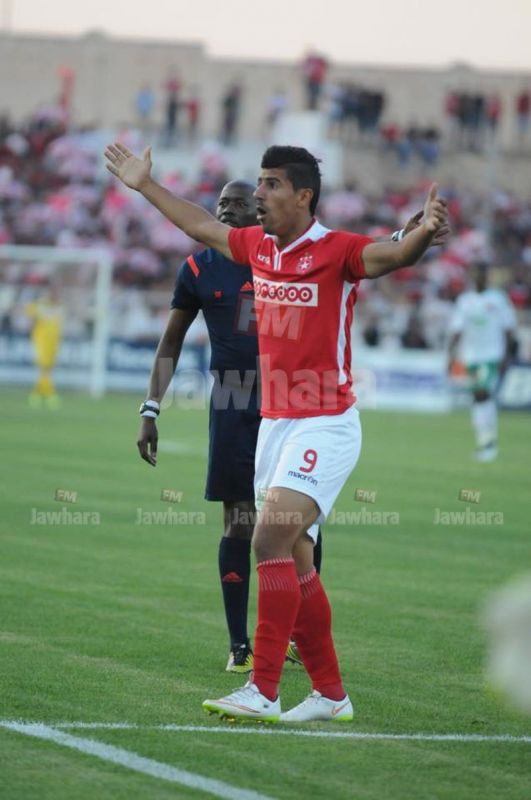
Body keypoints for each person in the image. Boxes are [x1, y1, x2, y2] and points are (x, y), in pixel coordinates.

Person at [104, 140, 448, 723]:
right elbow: (197, 224)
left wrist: (422, 233)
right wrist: (144, 185)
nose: (258, 194)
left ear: (303, 196)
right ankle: (331, 694)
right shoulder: (258, 248)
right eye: (258, 183)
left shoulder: (337, 250)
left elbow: (395, 256)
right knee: (299, 558)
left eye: (270, 184)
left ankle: (262, 687)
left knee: (265, 541)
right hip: (275, 425)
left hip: (326, 424)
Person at [137, 179, 323, 674]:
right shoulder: (198, 268)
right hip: (232, 400)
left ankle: (297, 637)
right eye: (221, 203)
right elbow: (172, 340)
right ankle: (240, 645)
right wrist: (151, 407)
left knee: (299, 522)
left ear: (257, 211)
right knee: (238, 518)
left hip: (290, 400)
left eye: (238, 203)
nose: (227, 210)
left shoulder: (285, 257)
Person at [448, 263, 517, 462]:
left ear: (487, 277)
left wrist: (507, 355)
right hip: (471, 356)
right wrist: (450, 356)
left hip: (492, 355)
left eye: (481, 274)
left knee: (481, 393)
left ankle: (488, 444)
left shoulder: (498, 299)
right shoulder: (465, 300)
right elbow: (457, 330)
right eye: (475, 274)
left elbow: (508, 328)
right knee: (479, 397)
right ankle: (485, 441)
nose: (478, 278)